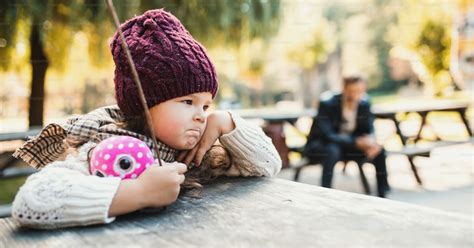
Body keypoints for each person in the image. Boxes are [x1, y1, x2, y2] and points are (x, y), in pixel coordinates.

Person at [11, 9, 282, 229]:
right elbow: (32, 202)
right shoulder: (107, 149)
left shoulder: (198, 152)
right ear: (143, 105)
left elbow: (268, 164)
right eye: (187, 102)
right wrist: (138, 193)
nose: (201, 116)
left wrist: (227, 123)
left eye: (207, 105)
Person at [303, 76, 390, 197]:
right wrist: (355, 142)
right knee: (332, 149)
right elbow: (327, 135)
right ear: (344, 89)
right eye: (352, 91)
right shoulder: (327, 104)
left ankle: (383, 193)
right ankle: (325, 191)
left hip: (348, 148)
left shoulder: (365, 104)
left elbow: (369, 128)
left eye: (360, 91)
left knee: (379, 150)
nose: (356, 95)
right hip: (321, 147)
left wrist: (371, 141)